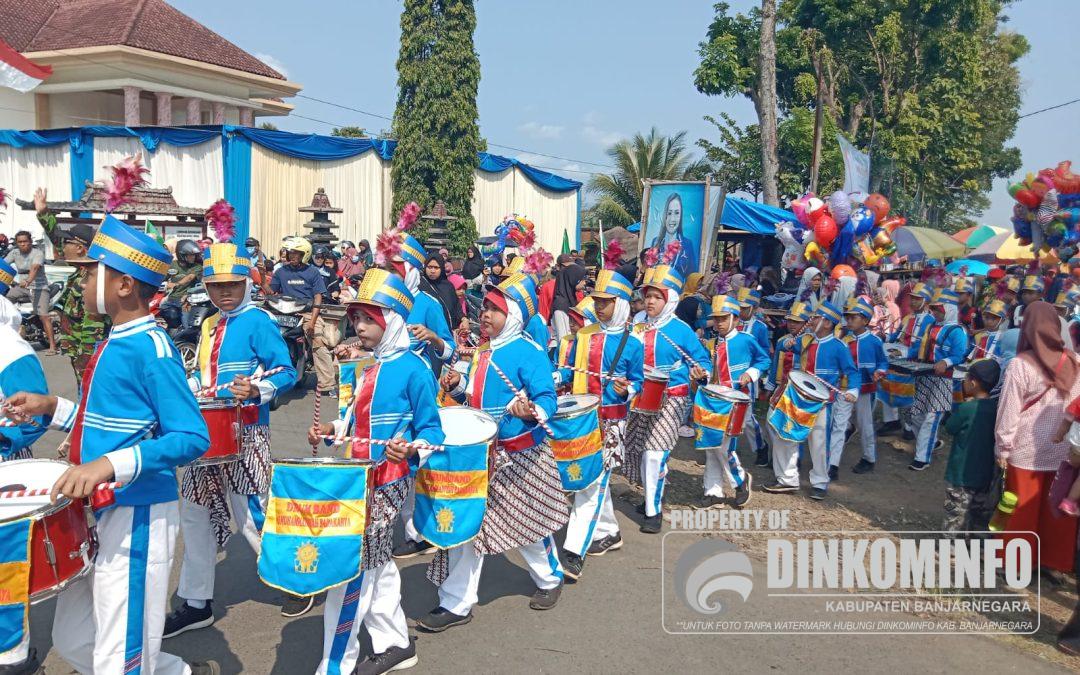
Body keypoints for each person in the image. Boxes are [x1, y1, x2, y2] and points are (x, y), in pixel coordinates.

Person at [7, 214, 215, 674]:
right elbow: (107, 424)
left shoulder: (152, 348)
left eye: (88, 273)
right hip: (96, 510)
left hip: (137, 511)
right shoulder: (114, 340)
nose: (80, 282)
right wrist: (50, 407)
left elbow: (191, 436)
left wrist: (105, 466)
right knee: (76, 639)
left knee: (117, 653)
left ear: (122, 285)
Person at [307, 268, 444, 675]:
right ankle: (397, 643)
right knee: (377, 564)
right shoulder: (368, 368)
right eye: (357, 319)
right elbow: (353, 418)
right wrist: (332, 429)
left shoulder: (416, 369)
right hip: (358, 477)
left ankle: (335, 666)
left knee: (350, 572)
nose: (359, 327)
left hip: (386, 483)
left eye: (369, 319)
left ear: (394, 321)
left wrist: (412, 450)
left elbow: (433, 431)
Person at [164, 243, 298, 636]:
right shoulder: (208, 325)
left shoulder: (259, 321)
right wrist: (189, 388)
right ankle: (195, 601)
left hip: (246, 432)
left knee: (253, 511)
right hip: (205, 432)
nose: (224, 292)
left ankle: (292, 577)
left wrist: (257, 390)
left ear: (247, 283)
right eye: (216, 285)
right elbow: (205, 375)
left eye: (232, 285)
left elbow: (285, 372)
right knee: (195, 513)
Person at [422, 273, 567, 630]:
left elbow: (547, 398)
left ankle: (550, 578)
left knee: (529, 527)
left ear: (513, 313)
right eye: (484, 306)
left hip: (521, 455)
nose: (484, 313)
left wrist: (531, 410)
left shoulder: (529, 351)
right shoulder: (482, 352)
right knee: (470, 527)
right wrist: (457, 386)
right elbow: (473, 398)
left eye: (494, 309)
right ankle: (456, 603)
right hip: (480, 456)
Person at [554, 269, 642, 580]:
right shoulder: (584, 335)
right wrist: (555, 378)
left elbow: (638, 381)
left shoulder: (633, 343)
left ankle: (573, 550)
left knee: (591, 485)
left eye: (606, 301)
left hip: (611, 421)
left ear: (620, 304)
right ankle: (610, 532)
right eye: (598, 301)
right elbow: (569, 371)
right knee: (593, 481)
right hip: (582, 419)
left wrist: (628, 389)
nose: (599, 306)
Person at [995, 301, 1080, 577]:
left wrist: (1002, 447)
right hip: (1065, 450)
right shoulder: (1075, 362)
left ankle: (1016, 563)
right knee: (1055, 508)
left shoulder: (1020, 365)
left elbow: (1009, 411)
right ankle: (1054, 562)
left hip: (1025, 450)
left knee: (1020, 507)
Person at [625, 265, 710, 533]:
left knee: (654, 453)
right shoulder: (637, 323)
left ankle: (654, 512)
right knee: (636, 449)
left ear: (669, 299)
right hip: (639, 397)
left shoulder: (681, 330)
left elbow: (703, 361)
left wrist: (701, 372)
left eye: (657, 297)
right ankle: (651, 496)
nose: (650, 301)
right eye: (647, 296)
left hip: (671, 399)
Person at [0, 277, 50, 674]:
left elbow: (33, 417)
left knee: (6, 569)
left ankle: (12, 656)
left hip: (4, 468)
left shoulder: (9, 348)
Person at [763, 302, 859, 501]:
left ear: (826, 323)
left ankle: (820, 482)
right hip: (797, 398)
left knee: (819, 443)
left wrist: (853, 391)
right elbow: (782, 345)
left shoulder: (839, 347)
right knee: (785, 435)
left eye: (815, 318)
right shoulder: (805, 340)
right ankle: (787, 479)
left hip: (821, 404)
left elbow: (851, 372)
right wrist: (787, 343)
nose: (811, 320)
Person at [700, 294, 770, 508]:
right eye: (716, 318)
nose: (719, 323)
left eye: (724, 318)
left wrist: (751, 373)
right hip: (713, 400)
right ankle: (714, 490)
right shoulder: (712, 343)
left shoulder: (745, 340)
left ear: (735, 319)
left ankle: (740, 480)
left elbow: (764, 359)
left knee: (723, 445)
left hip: (736, 399)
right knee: (711, 445)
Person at [34, 188, 109, 384]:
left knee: (87, 394)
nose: (61, 246)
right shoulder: (80, 269)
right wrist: (43, 213)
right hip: (75, 350)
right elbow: (57, 238)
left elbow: (93, 325)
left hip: (86, 356)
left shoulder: (92, 277)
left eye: (67, 242)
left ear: (79, 248)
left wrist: (85, 362)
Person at [907, 289, 969, 471]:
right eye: (933, 309)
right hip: (924, 374)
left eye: (938, 309)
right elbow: (920, 348)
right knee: (915, 414)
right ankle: (930, 443)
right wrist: (906, 355)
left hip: (943, 379)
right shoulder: (931, 326)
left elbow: (959, 354)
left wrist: (945, 361)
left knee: (931, 418)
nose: (934, 312)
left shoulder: (958, 331)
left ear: (948, 309)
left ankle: (922, 458)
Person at [270, 236, 337, 396]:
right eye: (290, 253)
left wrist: (313, 322)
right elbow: (271, 292)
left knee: (318, 342)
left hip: (307, 313)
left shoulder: (312, 272)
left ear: (304, 254)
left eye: (296, 253)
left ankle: (328, 384)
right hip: (283, 312)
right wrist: (260, 275)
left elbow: (318, 297)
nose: (292, 256)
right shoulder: (280, 271)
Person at [829, 297, 888, 478]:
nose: (849, 321)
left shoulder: (875, 341)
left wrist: (880, 370)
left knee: (865, 425)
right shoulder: (843, 340)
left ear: (865, 320)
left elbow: (883, 362)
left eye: (854, 317)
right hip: (845, 388)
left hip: (866, 390)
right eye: (848, 317)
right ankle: (832, 465)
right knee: (838, 425)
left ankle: (869, 458)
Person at [941, 359, 1001, 534]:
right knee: (976, 511)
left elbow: (950, 427)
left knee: (956, 511)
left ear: (973, 383)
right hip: (984, 472)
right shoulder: (996, 408)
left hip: (961, 471)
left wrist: (962, 404)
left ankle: (950, 547)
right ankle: (971, 543)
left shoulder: (967, 408)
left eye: (966, 379)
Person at [878, 282, 933, 437]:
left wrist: (907, 353)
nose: (913, 301)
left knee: (910, 393)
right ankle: (891, 421)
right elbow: (896, 336)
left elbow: (925, 344)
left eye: (917, 298)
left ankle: (909, 426)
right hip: (897, 358)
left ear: (926, 301)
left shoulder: (930, 320)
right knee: (887, 384)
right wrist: (886, 337)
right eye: (912, 298)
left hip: (915, 362)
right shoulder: (908, 317)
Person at [732, 287, 772, 456]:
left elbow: (764, 352)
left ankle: (760, 447)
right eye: (739, 308)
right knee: (729, 414)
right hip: (729, 375)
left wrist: (753, 372)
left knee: (747, 418)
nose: (741, 312)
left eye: (745, 308)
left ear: (754, 309)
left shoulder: (760, 328)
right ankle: (730, 448)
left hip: (747, 378)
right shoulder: (732, 322)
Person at [4, 229, 55, 353]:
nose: (22, 244)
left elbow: (35, 268)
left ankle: (53, 346)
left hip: (39, 287)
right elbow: (3, 265)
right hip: (21, 288)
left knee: (43, 316)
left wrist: (28, 281)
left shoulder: (37, 253)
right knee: (4, 302)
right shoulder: (14, 253)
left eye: (25, 241)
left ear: (30, 242)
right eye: (20, 242)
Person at [648, 192, 697, 277]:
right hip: (654, 289)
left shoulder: (687, 244)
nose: (672, 219)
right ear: (665, 216)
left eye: (677, 213)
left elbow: (691, 276)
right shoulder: (655, 242)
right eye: (669, 213)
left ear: (681, 216)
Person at [161, 239, 204, 330]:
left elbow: (190, 277)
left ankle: (187, 341)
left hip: (186, 301)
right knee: (162, 312)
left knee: (187, 326)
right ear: (182, 255)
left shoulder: (197, 267)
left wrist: (175, 284)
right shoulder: (172, 265)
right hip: (171, 299)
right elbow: (162, 278)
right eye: (191, 255)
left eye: (194, 255)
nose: (193, 257)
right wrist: (165, 284)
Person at [551, 254, 587, 343]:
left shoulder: (568, 299)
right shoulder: (560, 306)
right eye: (580, 280)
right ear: (572, 280)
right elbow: (563, 339)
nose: (584, 283)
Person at [422, 252, 463, 329]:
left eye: (436, 267)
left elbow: (457, 307)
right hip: (427, 333)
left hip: (449, 333)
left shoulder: (448, 286)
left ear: (442, 268)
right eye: (430, 267)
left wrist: (464, 319)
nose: (433, 271)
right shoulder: (420, 285)